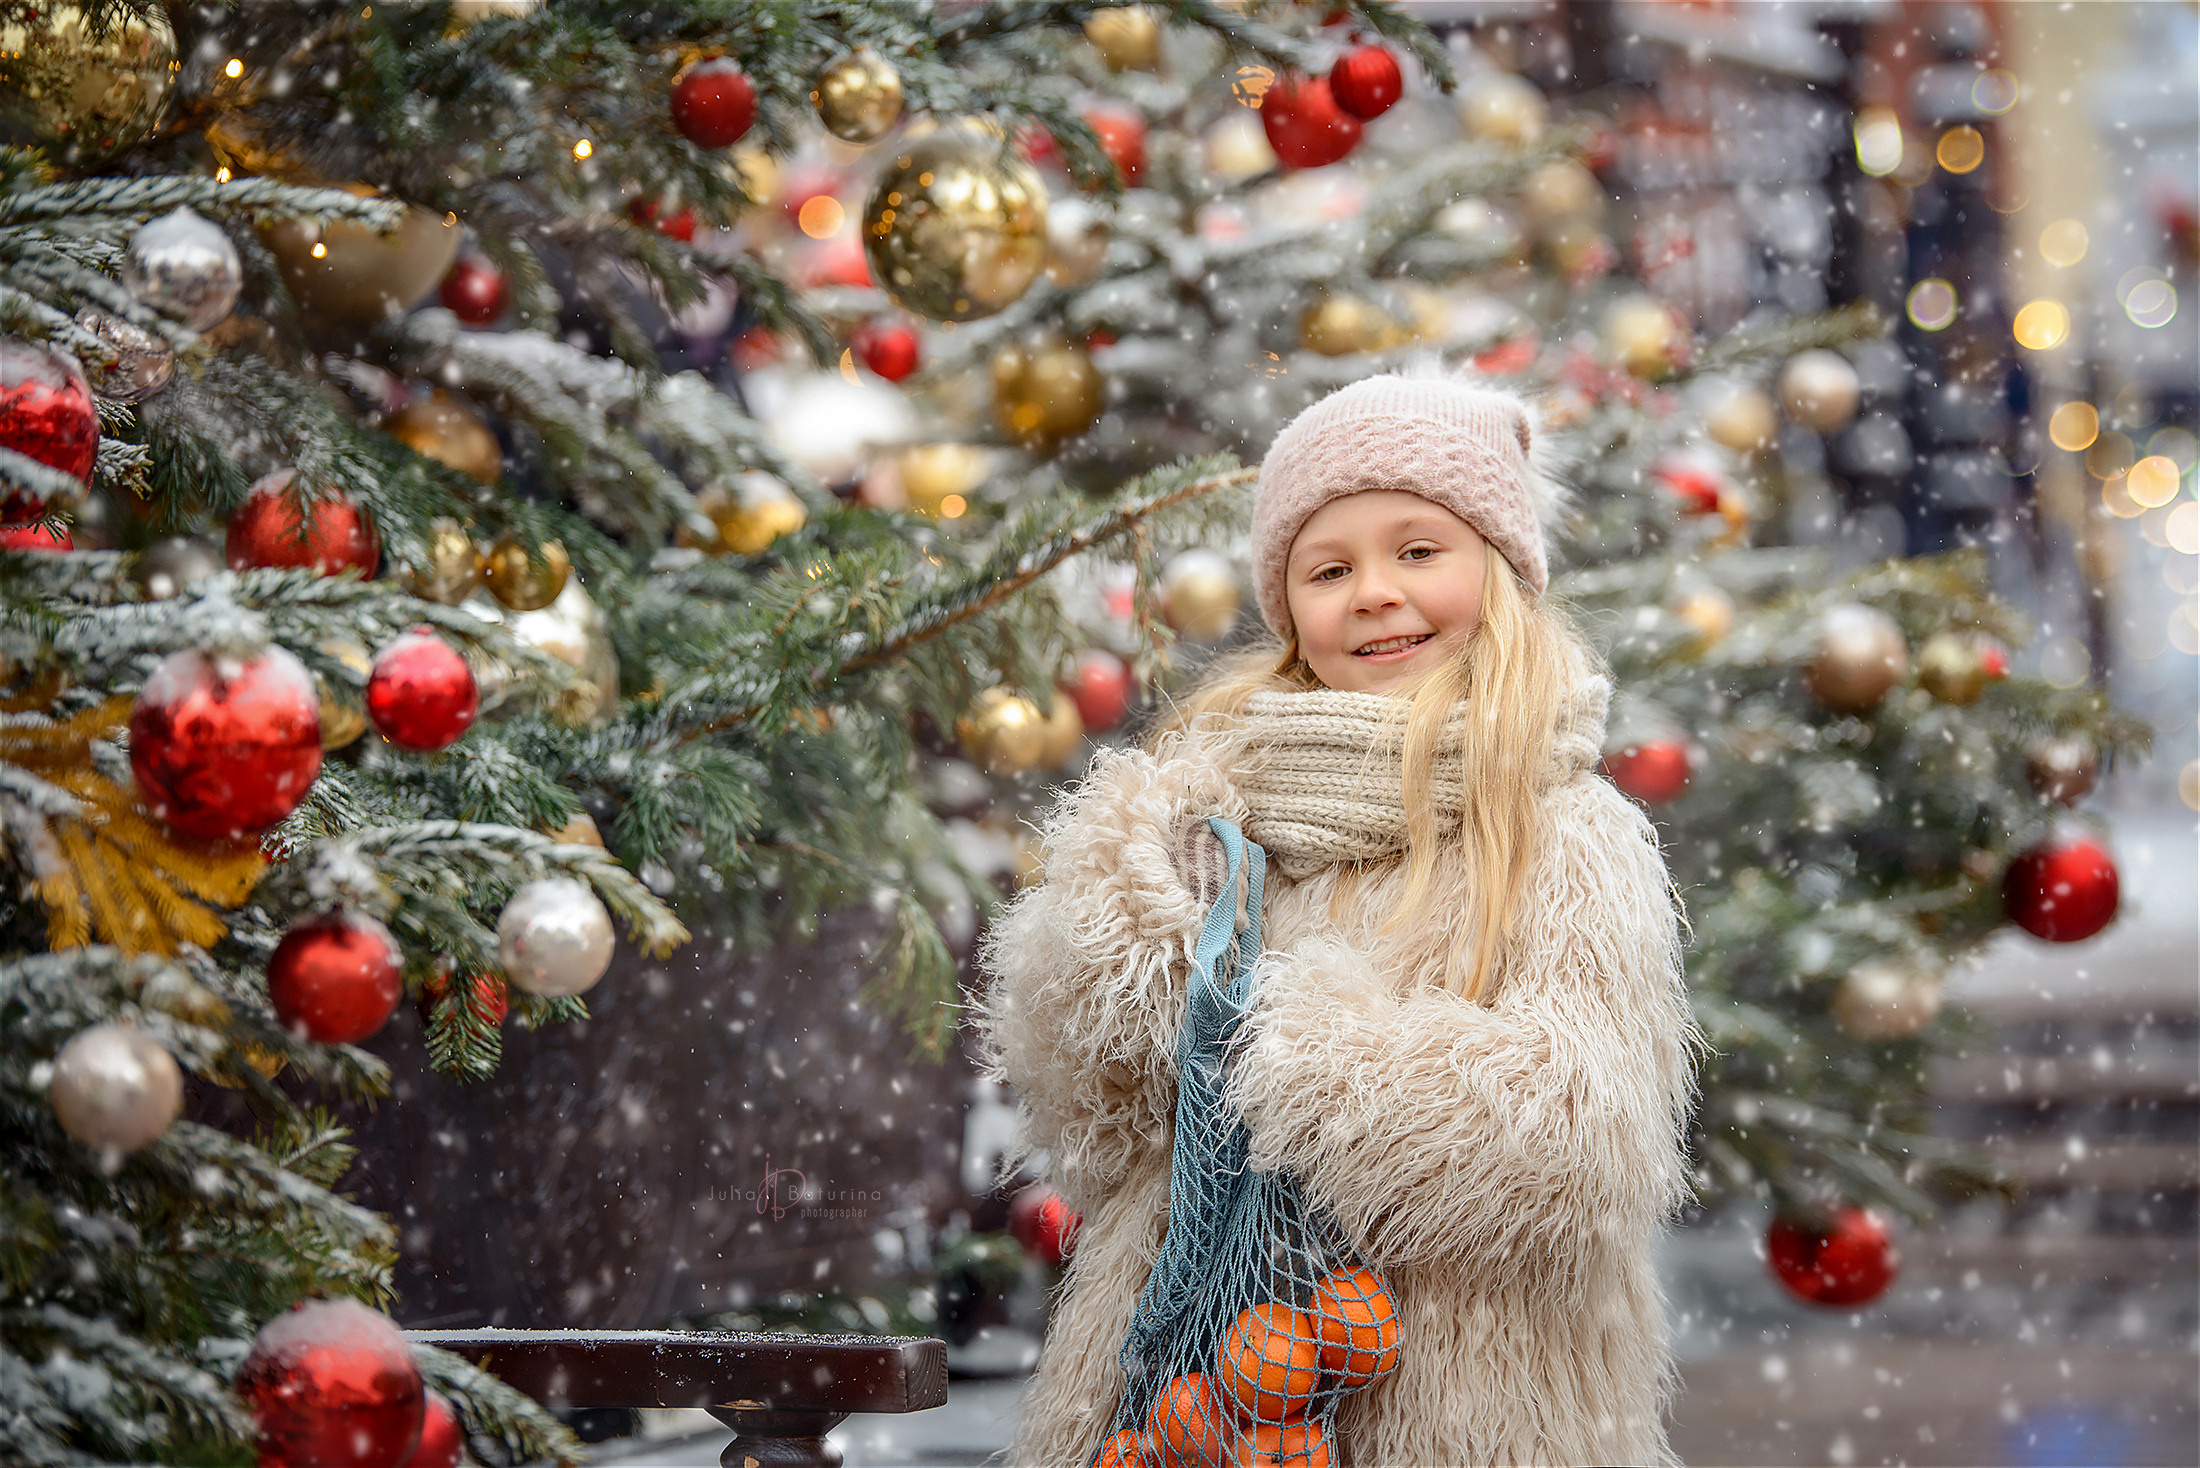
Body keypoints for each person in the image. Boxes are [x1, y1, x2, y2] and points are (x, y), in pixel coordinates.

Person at [973, 372, 1701, 1468]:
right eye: (1329, 567)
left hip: (1461, 1399)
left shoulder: (1560, 827)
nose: (1373, 591)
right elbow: (1096, 1131)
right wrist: (1127, 930)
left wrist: (1299, 1053)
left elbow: (1585, 1139)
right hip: (1195, 1389)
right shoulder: (1218, 813)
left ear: (1498, 573)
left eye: (1418, 550)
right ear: (1288, 609)